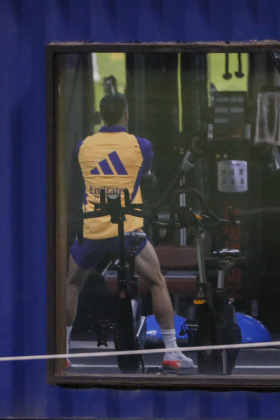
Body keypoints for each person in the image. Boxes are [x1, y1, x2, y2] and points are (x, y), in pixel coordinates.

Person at [65, 92, 193, 369]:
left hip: (92, 231)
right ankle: (171, 352)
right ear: (126, 115)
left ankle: (61, 356)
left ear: (101, 116)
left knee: (72, 284)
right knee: (157, 282)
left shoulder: (82, 147)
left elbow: (81, 181)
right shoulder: (141, 146)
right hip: (128, 233)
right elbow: (144, 177)